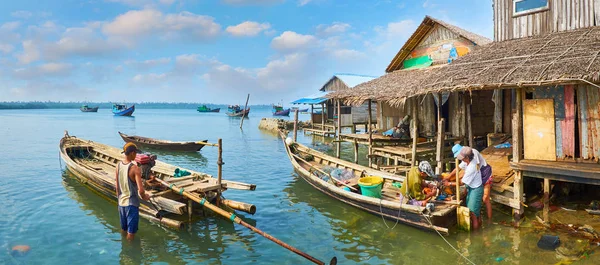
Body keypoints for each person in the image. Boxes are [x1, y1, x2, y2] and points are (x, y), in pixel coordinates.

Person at [444, 144, 493, 223]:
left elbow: (472, 168)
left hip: (484, 173)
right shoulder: (466, 157)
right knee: (474, 202)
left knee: (485, 198)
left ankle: (489, 221)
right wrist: (448, 176)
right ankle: (478, 216)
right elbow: (459, 168)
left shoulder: (472, 154)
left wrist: (450, 183)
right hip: (476, 176)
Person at [116, 142, 150, 240]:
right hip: (131, 204)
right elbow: (141, 190)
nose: (136, 155)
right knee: (131, 233)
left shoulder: (118, 166)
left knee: (124, 229)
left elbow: (117, 187)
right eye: (135, 153)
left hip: (121, 203)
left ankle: (123, 249)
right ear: (132, 153)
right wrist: (145, 197)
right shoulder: (135, 168)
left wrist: (119, 202)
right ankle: (130, 253)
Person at [456, 147, 484, 230]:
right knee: (476, 213)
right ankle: (479, 229)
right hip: (473, 188)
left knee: (473, 214)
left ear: (467, 158)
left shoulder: (472, 166)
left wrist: (449, 183)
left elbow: (461, 182)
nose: (462, 160)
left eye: (463, 158)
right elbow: (459, 168)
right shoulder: (470, 161)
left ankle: (476, 235)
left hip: (476, 190)